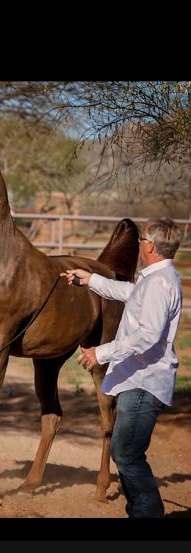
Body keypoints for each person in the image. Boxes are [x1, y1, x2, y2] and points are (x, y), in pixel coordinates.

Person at [60, 217, 182, 518]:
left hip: (144, 382)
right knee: (123, 451)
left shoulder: (159, 283)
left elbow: (148, 335)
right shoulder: (153, 280)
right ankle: (140, 509)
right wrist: (90, 280)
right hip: (138, 380)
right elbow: (129, 294)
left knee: (127, 453)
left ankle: (147, 512)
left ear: (150, 246)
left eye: (142, 240)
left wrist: (100, 353)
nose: (139, 244)